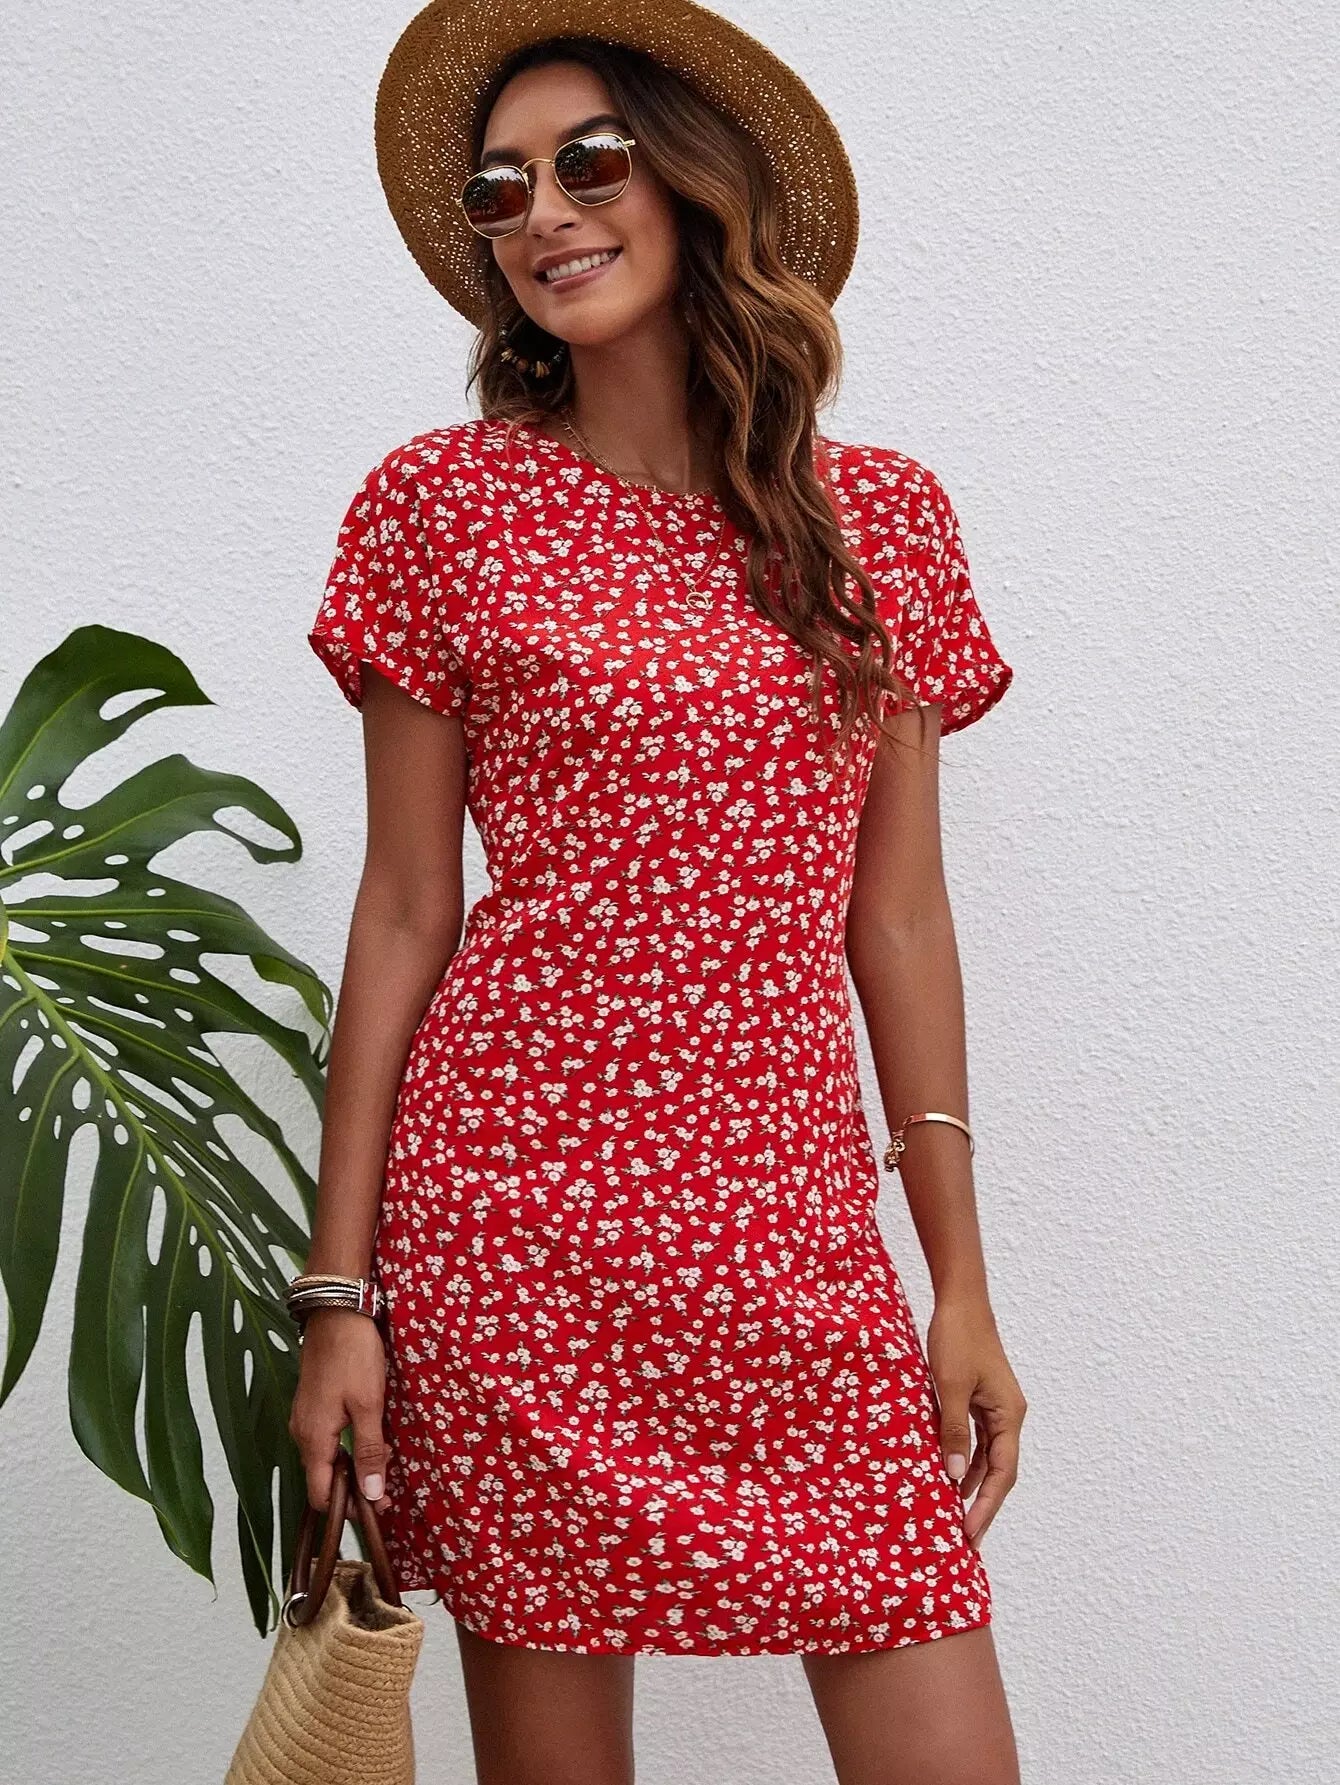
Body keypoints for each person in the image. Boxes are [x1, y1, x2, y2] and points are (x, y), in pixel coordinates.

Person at [290, 2, 1026, 1780]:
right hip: (514, 1234)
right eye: (502, 188)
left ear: (700, 188)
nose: (542, 212)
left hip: (789, 1233)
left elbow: (897, 918)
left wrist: (958, 1279)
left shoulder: (881, 524)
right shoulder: (442, 507)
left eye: (590, 163)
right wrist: (339, 1298)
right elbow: (405, 909)